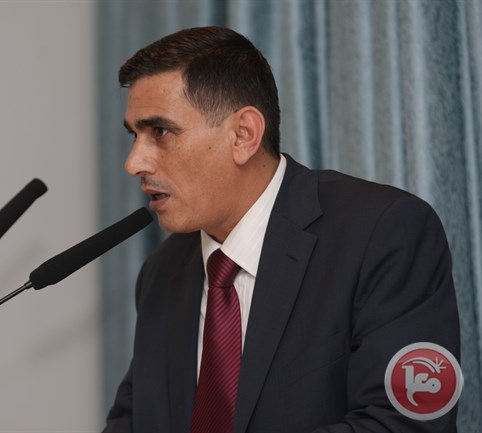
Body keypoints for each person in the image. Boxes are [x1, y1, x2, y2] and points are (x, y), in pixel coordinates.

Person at [103, 26, 461, 433]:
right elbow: (133, 422)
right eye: (135, 135)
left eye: (161, 132)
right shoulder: (162, 271)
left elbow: (404, 424)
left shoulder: (383, 234)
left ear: (244, 135)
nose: (134, 163)